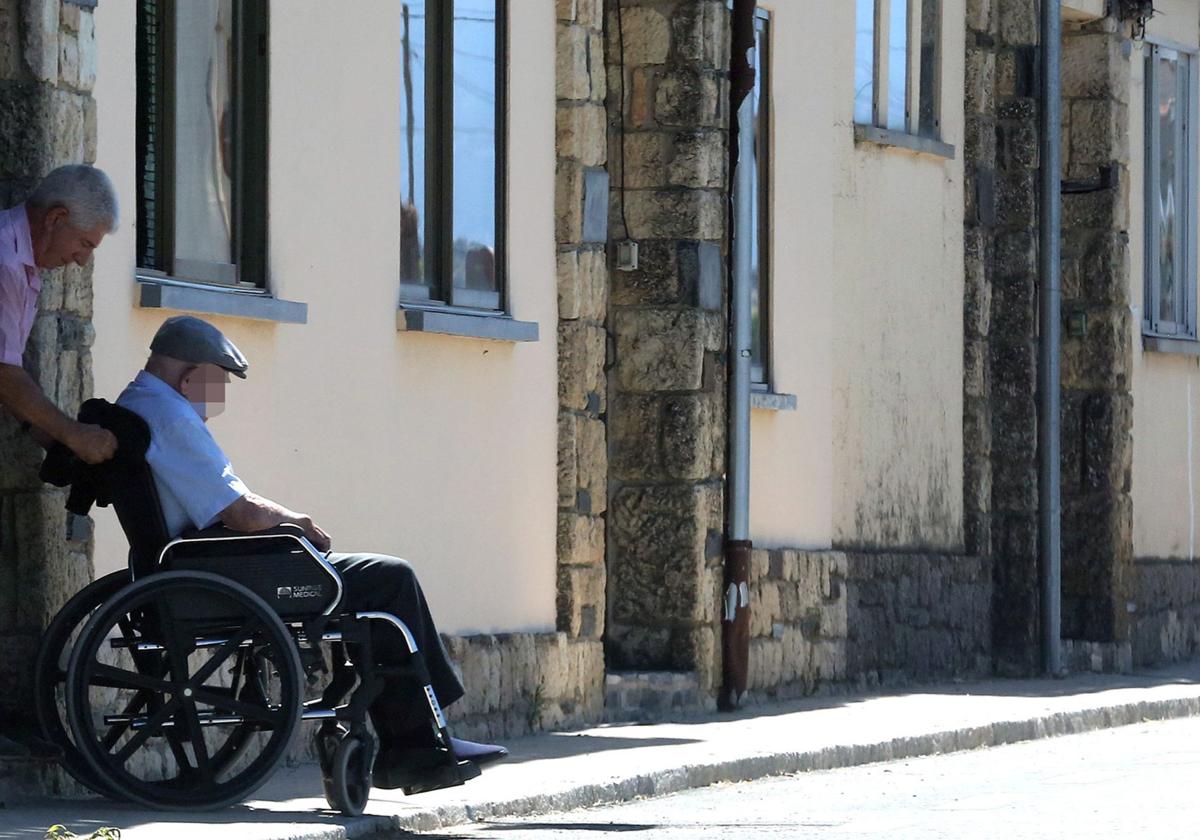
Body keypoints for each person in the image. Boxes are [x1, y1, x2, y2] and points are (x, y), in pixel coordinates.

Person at [115, 315, 506, 789]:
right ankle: (416, 747)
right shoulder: (172, 417)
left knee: (373, 589)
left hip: (193, 568)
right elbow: (238, 510)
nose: (218, 398)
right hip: (222, 574)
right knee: (390, 578)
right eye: (217, 383)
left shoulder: (137, 404)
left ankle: (415, 743)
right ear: (192, 375)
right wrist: (297, 523)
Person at [1, 165, 119, 464]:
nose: (83, 260)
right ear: (55, 218)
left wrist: (51, 437)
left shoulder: (22, 263)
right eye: (85, 243)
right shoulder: (6, 261)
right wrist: (74, 434)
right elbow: (4, 373)